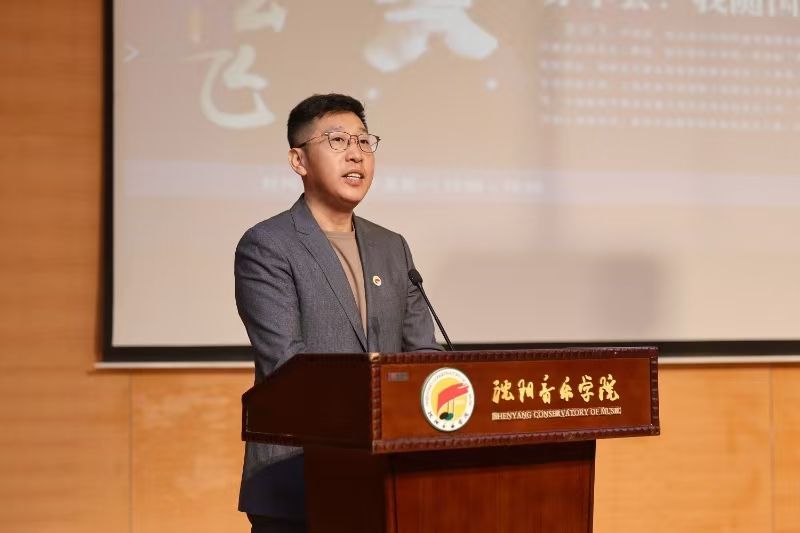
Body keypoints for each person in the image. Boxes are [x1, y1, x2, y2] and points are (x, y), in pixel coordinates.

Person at [234, 93, 442, 532]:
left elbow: (421, 352)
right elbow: (287, 367)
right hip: (298, 480)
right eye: (337, 140)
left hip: (386, 480)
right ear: (298, 160)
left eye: (364, 141)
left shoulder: (392, 246)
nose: (356, 154)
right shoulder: (268, 245)